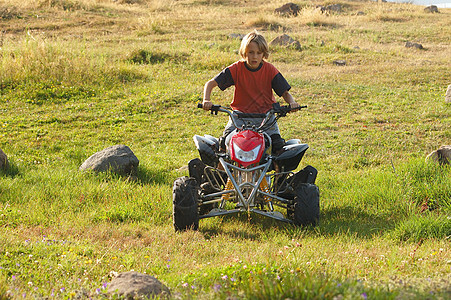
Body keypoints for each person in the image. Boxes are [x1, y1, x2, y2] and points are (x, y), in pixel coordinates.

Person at [202, 30, 300, 153]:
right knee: (224, 145)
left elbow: (285, 92)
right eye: (251, 52)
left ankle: (279, 172)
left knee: (277, 147)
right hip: (239, 117)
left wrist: (292, 103)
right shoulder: (236, 69)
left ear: (264, 54)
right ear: (244, 53)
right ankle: (222, 172)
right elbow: (210, 84)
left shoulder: (269, 70)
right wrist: (206, 100)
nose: (254, 56)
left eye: (259, 53)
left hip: (266, 118)